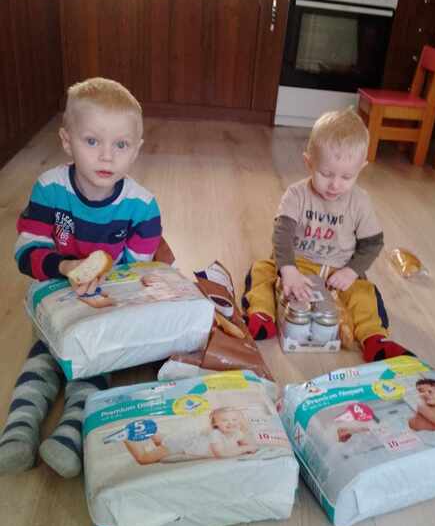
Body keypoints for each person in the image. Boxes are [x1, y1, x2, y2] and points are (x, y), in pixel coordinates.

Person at [0, 78, 163, 479]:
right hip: (54, 288)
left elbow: (135, 271)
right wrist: (64, 268)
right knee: (44, 355)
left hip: (105, 300)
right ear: (67, 141)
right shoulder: (50, 189)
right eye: (92, 141)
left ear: (136, 150)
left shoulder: (143, 207)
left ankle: (71, 431)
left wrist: (105, 294)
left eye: (121, 145)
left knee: (94, 359)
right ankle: (19, 429)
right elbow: (26, 251)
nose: (107, 155)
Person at [242, 107, 413, 363]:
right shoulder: (296, 195)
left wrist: (352, 271)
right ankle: (261, 315)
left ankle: (374, 338)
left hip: (339, 270)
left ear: (361, 168)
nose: (335, 184)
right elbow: (282, 235)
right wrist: (288, 270)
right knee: (261, 271)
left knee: (365, 293)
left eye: (347, 176)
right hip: (298, 264)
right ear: (308, 162)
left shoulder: (360, 201)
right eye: (325, 173)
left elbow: (372, 243)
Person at [125, 407, 258, 465]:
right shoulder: (215, 434)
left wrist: (248, 445)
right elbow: (221, 453)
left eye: (234, 419)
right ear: (215, 424)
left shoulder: (237, 432)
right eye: (225, 420)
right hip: (180, 445)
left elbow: (247, 442)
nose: (231, 423)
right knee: (144, 459)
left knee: (161, 441)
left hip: (186, 441)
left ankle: (148, 429)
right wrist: (244, 449)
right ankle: (126, 436)